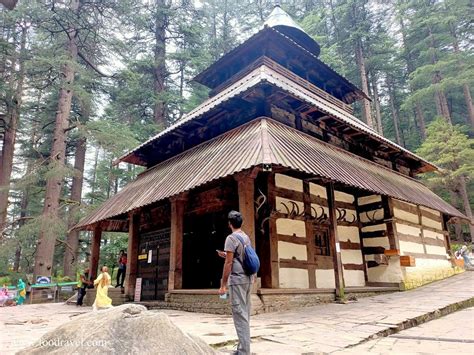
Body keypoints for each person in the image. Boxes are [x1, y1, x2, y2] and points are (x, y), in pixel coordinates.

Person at [218, 210, 253, 355]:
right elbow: (241, 256)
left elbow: (228, 264)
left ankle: (244, 351)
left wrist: (223, 285)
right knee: (244, 314)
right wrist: (227, 254)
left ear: (229, 224)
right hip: (248, 280)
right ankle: (242, 347)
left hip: (237, 280)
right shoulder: (245, 237)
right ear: (241, 223)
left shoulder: (231, 238)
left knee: (239, 315)